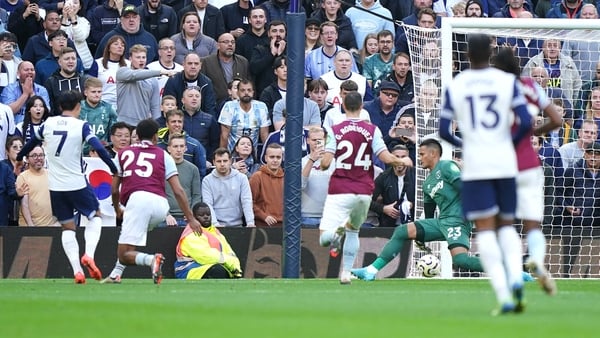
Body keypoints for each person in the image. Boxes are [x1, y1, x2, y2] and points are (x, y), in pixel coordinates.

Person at [439, 34, 533, 315]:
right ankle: (517, 278)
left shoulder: (456, 85)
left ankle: (504, 296)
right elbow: (527, 121)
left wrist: (465, 145)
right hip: (504, 161)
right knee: (506, 225)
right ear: (491, 54)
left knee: (485, 231)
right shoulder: (506, 82)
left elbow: (445, 131)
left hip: (477, 164)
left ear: (467, 55)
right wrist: (508, 144)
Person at [15, 90, 119, 283]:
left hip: (55, 187)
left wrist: (20, 157)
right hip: (77, 183)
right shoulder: (81, 126)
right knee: (95, 216)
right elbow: (98, 147)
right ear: (78, 107)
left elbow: (31, 143)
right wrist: (113, 167)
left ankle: (77, 271)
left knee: (68, 228)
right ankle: (89, 254)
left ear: (60, 107)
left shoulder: (48, 123)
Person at [353, 138, 485, 279]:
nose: (419, 158)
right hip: (441, 222)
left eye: (422, 154)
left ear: (433, 153)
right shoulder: (427, 183)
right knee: (402, 231)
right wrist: (422, 234)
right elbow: (429, 211)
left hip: (457, 221)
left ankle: (503, 266)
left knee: (461, 261)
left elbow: (463, 187)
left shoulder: (446, 166)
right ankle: (371, 271)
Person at [318, 91, 410, 284]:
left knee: (324, 239)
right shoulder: (372, 130)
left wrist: (324, 160)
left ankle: (336, 234)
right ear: (362, 107)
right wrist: (401, 160)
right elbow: (384, 157)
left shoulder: (335, 130)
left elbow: (326, 163)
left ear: (343, 105)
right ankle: (346, 273)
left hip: (340, 188)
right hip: (363, 189)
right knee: (353, 231)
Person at [493, 46, 561, 295]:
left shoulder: (491, 91)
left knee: (506, 223)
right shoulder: (531, 86)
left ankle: (513, 273)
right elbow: (556, 120)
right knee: (533, 224)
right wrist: (534, 133)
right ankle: (537, 261)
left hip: (502, 165)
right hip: (530, 163)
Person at [105, 118, 201, 284]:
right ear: (156, 137)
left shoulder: (123, 154)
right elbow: (178, 190)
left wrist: (117, 209)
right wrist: (191, 218)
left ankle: (151, 260)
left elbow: (114, 189)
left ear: (137, 136)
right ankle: (115, 274)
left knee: (124, 253)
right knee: (130, 242)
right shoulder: (164, 155)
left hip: (138, 203)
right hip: (161, 207)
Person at [174, 201, 242, 279]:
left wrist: (235, 266)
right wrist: (229, 262)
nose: (206, 217)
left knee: (227, 272)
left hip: (211, 265)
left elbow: (230, 252)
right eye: (201, 215)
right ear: (194, 217)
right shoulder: (191, 233)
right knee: (218, 270)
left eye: (208, 214)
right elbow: (205, 255)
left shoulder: (216, 232)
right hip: (189, 270)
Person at [116, 44, 177, 126]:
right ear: (130, 59)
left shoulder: (152, 79)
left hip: (142, 124)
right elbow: (135, 75)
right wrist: (160, 72)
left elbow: (155, 106)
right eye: (138, 57)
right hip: (123, 123)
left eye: (143, 57)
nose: (141, 60)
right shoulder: (123, 72)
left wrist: (157, 126)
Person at [202, 147, 255, 227]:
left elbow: (246, 201)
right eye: (219, 161)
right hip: (216, 226)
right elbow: (208, 203)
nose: (222, 164)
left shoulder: (242, 178)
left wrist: (250, 222)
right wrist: (215, 224)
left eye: (225, 161)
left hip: (238, 225)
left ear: (230, 161)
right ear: (214, 162)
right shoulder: (207, 180)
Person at [368, 144, 416, 227]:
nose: (400, 160)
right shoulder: (383, 177)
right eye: (396, 157)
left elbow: (427, 199)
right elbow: (367, 200)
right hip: (390, 226)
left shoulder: (416, 175)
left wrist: (412, 204)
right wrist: (384, 208)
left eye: (403, 157)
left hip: (414, 224)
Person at [218, 79, 270, 150]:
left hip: (252, 155)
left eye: (249, 90)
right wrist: (223, 156)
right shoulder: (229, 107)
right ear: (238, 93)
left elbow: (264, 135)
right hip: (232, 154)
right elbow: (224, 136)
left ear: (253, 92)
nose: (246, 93)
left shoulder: (261, 107)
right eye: (243, 90)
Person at [163, 133, 202, 227]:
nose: (179, 149)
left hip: (187, 217)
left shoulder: (193, 169)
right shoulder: (161, 168)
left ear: (186, 148)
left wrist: (191, 214)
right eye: (175, 146)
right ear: (169, 149)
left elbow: (196, 195)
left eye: (181, 146)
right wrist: (166, 215)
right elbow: (157, 194)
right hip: (165, 218)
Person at [201, 32, 250, 106]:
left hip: (238, 104)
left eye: (233, 42)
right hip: (214, 105)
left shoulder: (243, 62)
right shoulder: (206, 62)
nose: (230, 44)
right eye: (226, 42)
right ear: (218, 45)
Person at [163, 52, 217, 118]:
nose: (193, 66)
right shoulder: (173, 81)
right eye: (190, 63)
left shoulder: (206, 83)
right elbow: (168, 105)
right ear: (183, 65)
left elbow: (210, 108)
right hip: (178, 120)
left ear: (200, 66)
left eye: (196, 64)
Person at [15, 145, 60, 226]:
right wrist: (31, 226)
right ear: (27, 159)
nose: (38, 158)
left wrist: (58, 222)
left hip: (50, 227)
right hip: (28, 228)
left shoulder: (52, 175)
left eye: (41, 155)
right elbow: (24, 204)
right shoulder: (23, 177)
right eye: (34, 155)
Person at [157, 109, 207, 177]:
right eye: (173, 122)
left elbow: (201, 172)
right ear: (167, 124)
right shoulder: (158, 144)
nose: (177, 125)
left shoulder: (195, 145)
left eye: (180, 122)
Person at [301, 127, 334, 228]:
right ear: (307, 141)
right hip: (308, 216)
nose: (317, 143)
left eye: (320, 140)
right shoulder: (302, 162)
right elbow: (300, 185)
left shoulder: (334, 162)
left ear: (325, 140)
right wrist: (311, 160)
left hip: (330, 216)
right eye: (314, 140)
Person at [44, 46, 89, 115]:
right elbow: (50, 108)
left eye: (73, 59)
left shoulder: (84, 81)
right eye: (67, 59)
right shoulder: (51, 82)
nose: (71, 61)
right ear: (60, 62)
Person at [79, 77, 118, 155]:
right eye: (93, 92)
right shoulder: (78, 108)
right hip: (80, 153)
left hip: (101, 153)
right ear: (86, 93)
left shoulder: (109, 108)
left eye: (99, 92)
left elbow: (113, 133)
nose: (97, 95)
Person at [249, 142, 284, 227]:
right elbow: (249, 202)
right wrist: (263, 216)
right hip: (262, 225)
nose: (275, 160)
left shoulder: (287, 178)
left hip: (283, 226)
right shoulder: (257, 177)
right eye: (272, 157)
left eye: (278, 157)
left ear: (282, 158)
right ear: (265, 158)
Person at [94, 34, 129, 110]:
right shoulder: (98, 63)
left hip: (123, 105)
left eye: (122, 45)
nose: (120, 47)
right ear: (109, 48)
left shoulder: (129, 65)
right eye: (116, 44)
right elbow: (90, 84)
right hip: (102, 105)